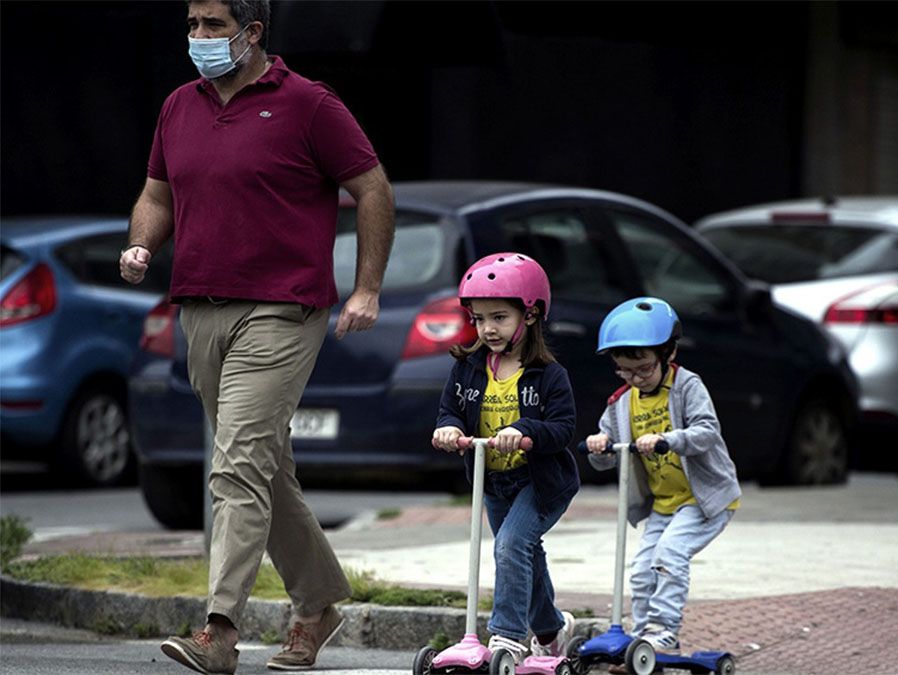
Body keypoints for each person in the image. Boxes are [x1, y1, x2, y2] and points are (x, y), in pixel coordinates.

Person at [119, 1, 396, 672]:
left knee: (236, 464)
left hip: (282, 308)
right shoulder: (179, 106)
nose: (200, 38)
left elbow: (373, 187)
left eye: (213, 25)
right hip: (201, 307)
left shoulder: (308, 104)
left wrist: (367, 287)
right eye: (191, 25)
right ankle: (318, 603)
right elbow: (158, 196)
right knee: (263, 467)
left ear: (252, 31)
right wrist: (140, 245)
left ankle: (220, 629)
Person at [431, 252, 580, 661]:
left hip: (540, 482)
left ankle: (507, 637)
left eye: (499, 317)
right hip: (494, 481)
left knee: (511, 545)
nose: (487, 328)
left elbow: (564, 429)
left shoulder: (549, 375)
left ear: (529, 315)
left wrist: (525, 430)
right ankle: (551, 629)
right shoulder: (468, 369)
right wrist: (449, 428)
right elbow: (451, 410)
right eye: (479, 318)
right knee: (521, 552)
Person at [584, 297, 741, 655]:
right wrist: (600, 446)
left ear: (668, 354)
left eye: (643, 370)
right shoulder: (621, 403)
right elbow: (608, 461)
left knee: (669, 556)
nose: (635, 379)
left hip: (703, 499)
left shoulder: (687, 386)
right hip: (663, 504)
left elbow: (707, 431)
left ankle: (664, 630)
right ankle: (643, 641)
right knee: (641, 570)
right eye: (624, 371)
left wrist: (667, 440)